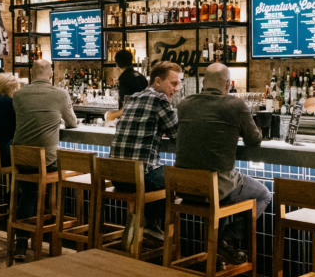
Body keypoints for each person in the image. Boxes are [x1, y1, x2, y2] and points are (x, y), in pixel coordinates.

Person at [175, 63, 270, 264]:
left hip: (183, 187)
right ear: (228, 84)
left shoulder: (184, 103)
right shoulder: (235, 105)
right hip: (215, 188)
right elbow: (254, 140)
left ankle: (219, 243)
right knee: (263, 194)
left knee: (228, 185)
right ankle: (226, 240)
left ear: (203, 83)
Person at [110, 60, 182, 245]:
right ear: (157, 82)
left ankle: (141, 227)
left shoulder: (132, 98)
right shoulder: (160, 100)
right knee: (177, 179)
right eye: (173, 83)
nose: (177, 88)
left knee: (158, 173)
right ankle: (151, 227)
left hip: (116, 175)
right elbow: (177, 136)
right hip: (139, 176)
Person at [11, 60, 78, 259]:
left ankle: (23, 241)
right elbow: (72, 123)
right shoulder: (60, 94)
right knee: (73, 173)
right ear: (51, 74)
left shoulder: (18, 94)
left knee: (29, 192)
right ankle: (62, 234)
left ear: (32, 73)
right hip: (45, 162)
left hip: (20, 158)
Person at [105, 48, 147, 122]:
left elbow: (128, 108)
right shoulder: (141, 76)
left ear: (117, 64)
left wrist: (111, 115)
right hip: (144, 119)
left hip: (131, 122)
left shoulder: (124, 78)